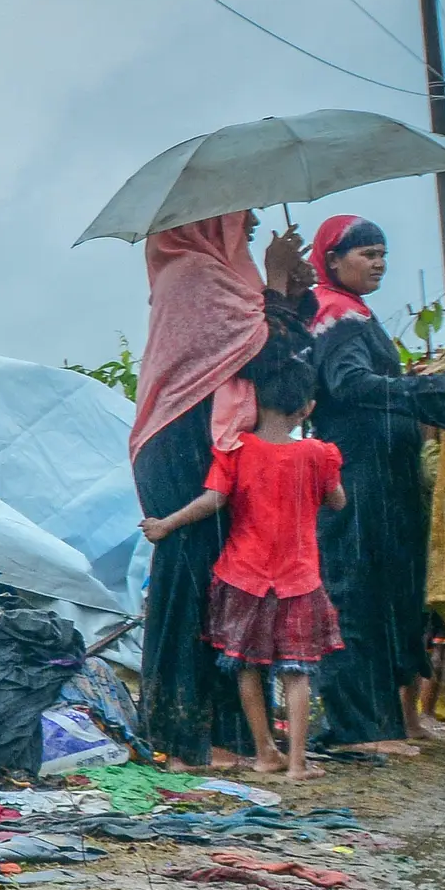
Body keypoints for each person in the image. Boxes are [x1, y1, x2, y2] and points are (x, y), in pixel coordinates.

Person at [302, 216, 445, 752]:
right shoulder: (335, 314)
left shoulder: (352, 313)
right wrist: (437, 388)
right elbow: (350, 385)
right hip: (360, 475)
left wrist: (417, 387)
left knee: (390, 594)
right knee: (357, 594)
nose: (378, 262)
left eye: (382, 253)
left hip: (385, 478)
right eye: (365, 253)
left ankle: (385, 723)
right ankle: (355, 729)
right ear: (332, 261)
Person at [126, 212, 302, 768]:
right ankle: (182, 739)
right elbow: (269, 354)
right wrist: (274, 285)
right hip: (181, 442)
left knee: (229, 588)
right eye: (238, 211)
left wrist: (290, 291)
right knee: (190, 586)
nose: (251, 220)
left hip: (212, 443)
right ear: (206, 219)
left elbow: (287, 363)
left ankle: (232, 735)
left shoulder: (228, 278)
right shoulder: (193, 275)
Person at [141, 344, 345, 777]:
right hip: (298, 579)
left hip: (242, 576)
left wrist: (165, 526)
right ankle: (297, 763)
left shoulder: (236, 451)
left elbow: (212, 501)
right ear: (307, 407)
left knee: (248, 667)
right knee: (296, 671)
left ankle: (264, 753)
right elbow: (337, 502)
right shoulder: (319, 454)